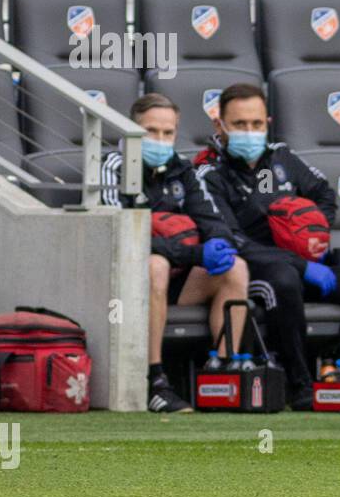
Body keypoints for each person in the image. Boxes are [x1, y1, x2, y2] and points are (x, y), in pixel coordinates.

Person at [195, 83, 340, 410]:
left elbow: (324, 194)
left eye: (257, 124)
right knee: (284, 278)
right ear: (221, 126)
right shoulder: (208, 173)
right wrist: (301, 265)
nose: (250, 132)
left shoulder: (282, 157)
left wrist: (312, 231)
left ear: (268, 122)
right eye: (240, 125)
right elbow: (229, 238)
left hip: (306, 267)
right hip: (255, 272)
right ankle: (299, 385)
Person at [100, 93, 249, 413]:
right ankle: (154, 380)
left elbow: (212, 218)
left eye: (168, 133)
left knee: (235, 268)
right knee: (155, 265)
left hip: (180, 282)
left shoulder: (182, 168)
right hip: (126, 285)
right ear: (130, 130)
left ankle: (224, 374)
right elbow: (123, 238)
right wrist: (195, 255)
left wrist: (219, 242)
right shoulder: (112, 166)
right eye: (151, 131)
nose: (160, 140)